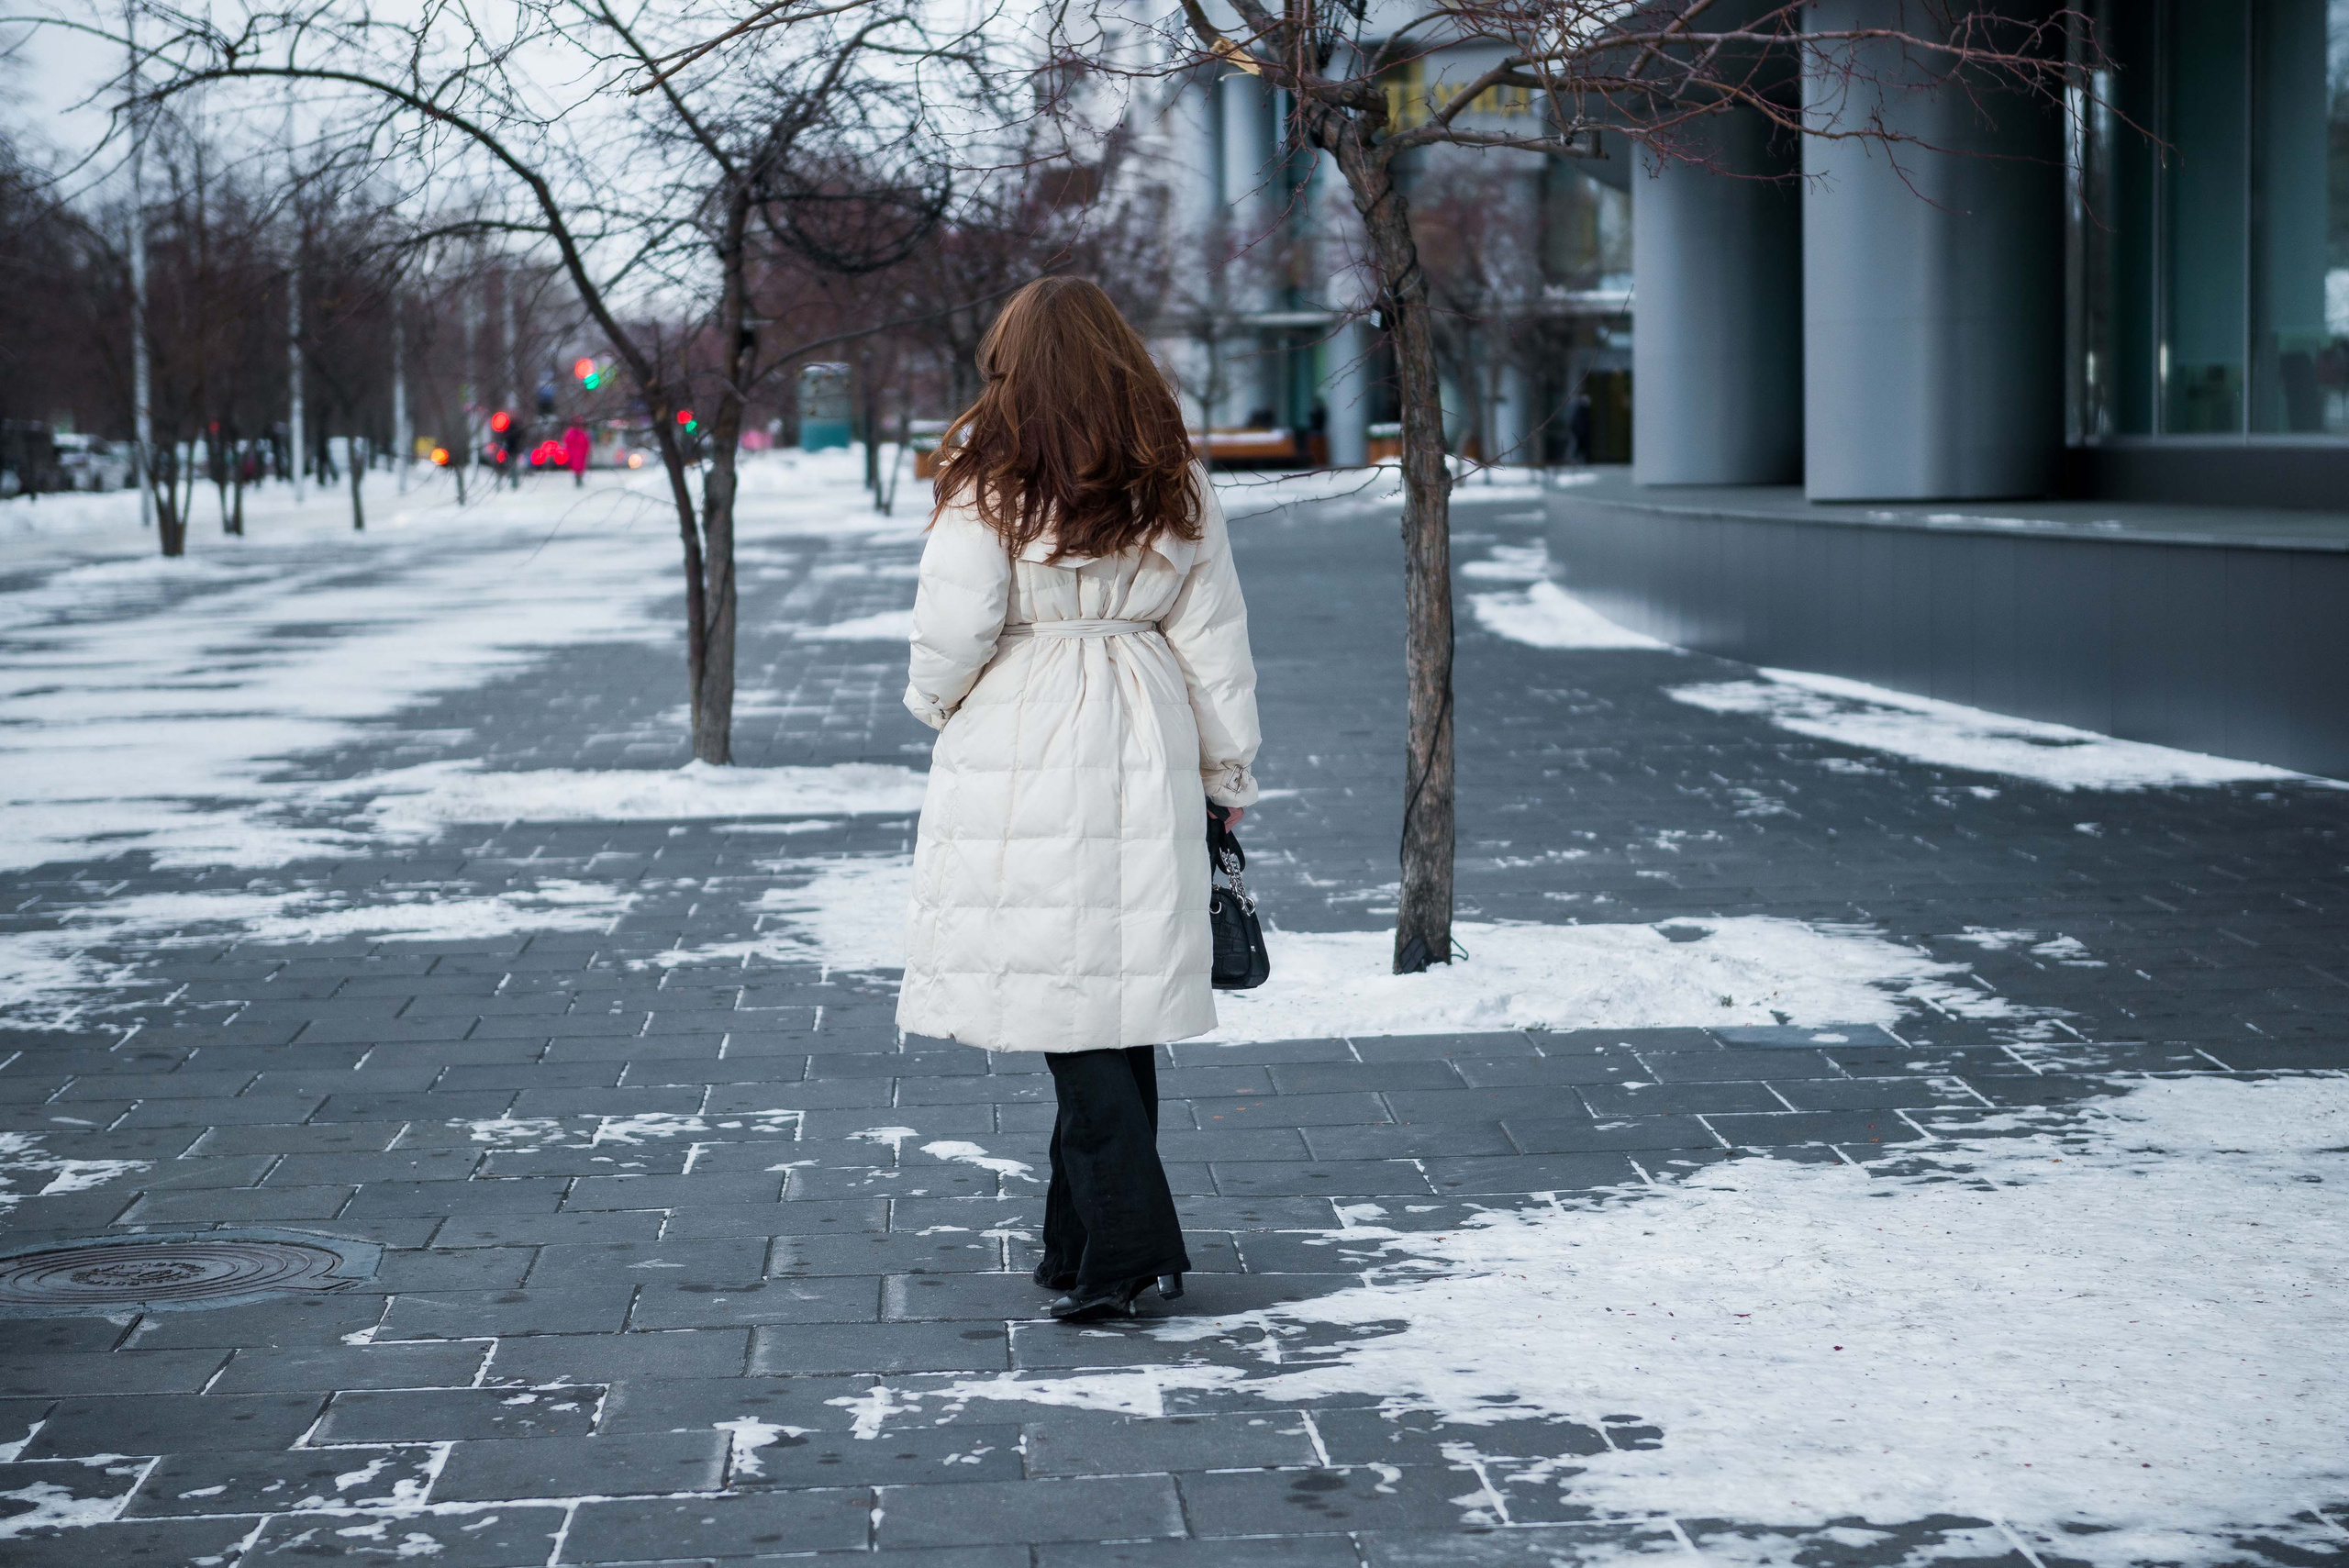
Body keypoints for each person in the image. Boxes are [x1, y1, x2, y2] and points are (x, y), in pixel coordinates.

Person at [897, 276, 1261, 1323]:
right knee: (1112, 985)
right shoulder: (1172, 480)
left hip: (1027, 726)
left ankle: (1127, 1248)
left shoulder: (992, 480)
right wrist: (1224, 770)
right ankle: (1079, 1237)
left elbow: (957, 625)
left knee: (1075, 994)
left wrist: (934, 704)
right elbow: (1214, 637)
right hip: (1145, 722)